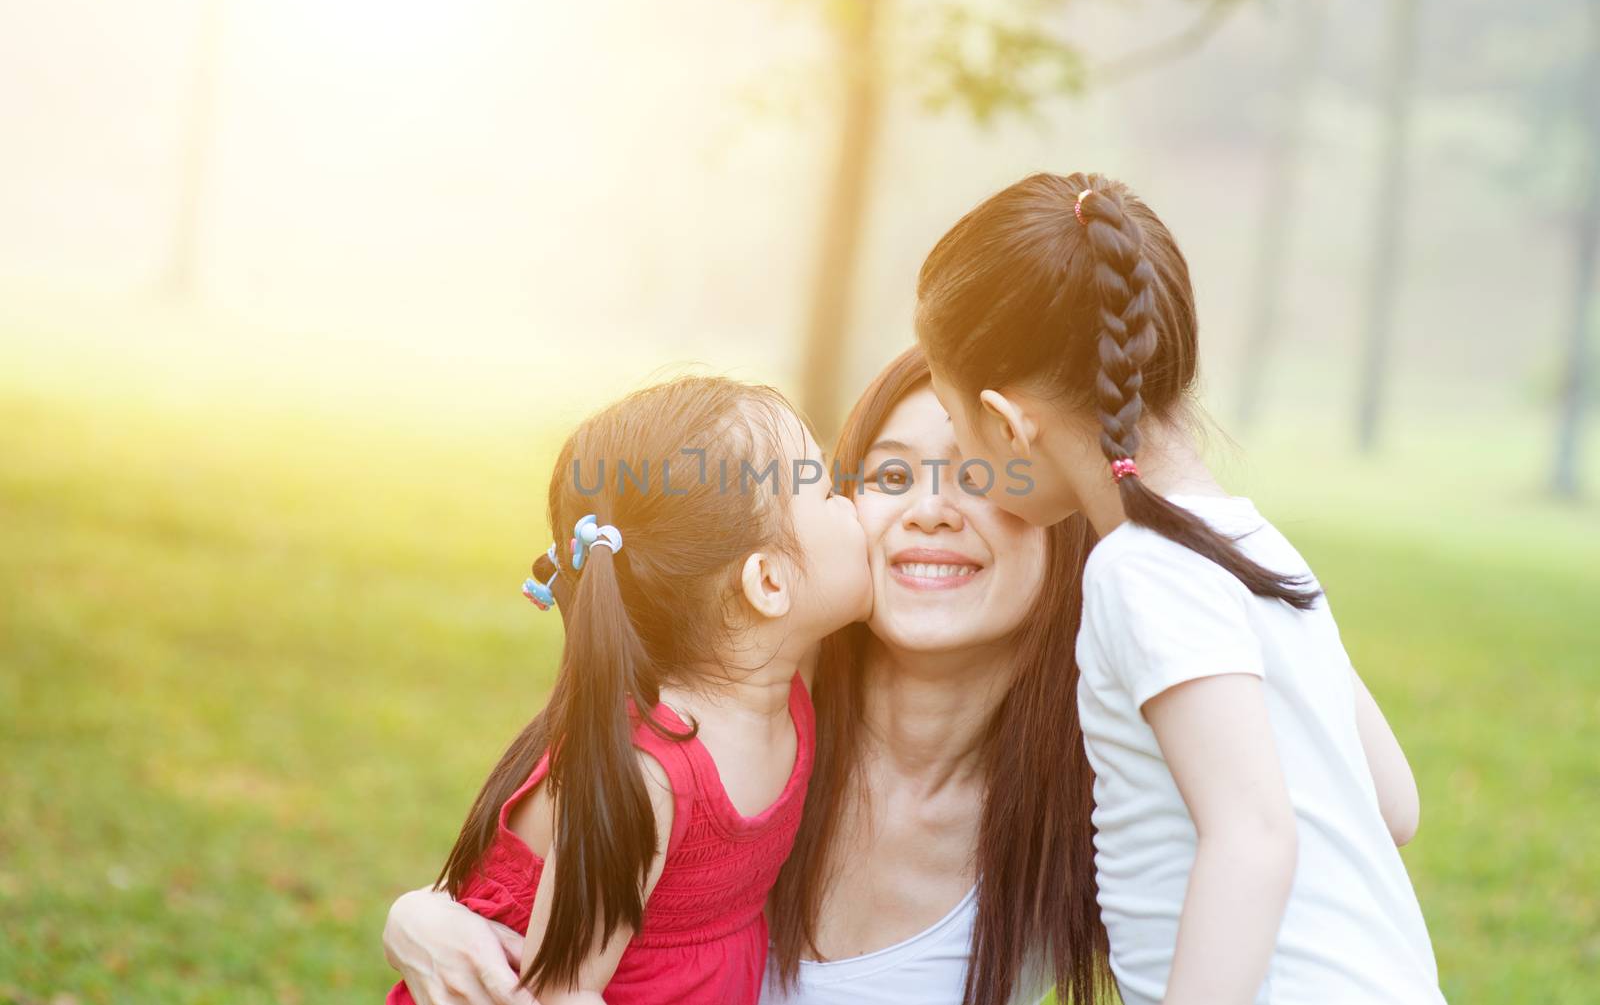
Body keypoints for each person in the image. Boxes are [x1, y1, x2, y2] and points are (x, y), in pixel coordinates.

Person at [383, 348, 1112, 1005]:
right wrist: (418, 915)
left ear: (1064, 502)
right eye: (884, 475)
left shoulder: (1096, 818)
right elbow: (540, 932)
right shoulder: (692, 732)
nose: (928, 511)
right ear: (766, 581)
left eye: (982, 474)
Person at [914, 170, 1444, 1005]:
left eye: (954, 422)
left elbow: (1253, 837)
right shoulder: (1251, 547)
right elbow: (1396, 802)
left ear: (1011, 422)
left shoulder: (1141, 570)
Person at [386, 376, 871, 1005]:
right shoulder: (653, 774)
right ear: (769, 583)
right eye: (829, 492)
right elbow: (559, 994)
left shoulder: (787, 681)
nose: (854, 504)